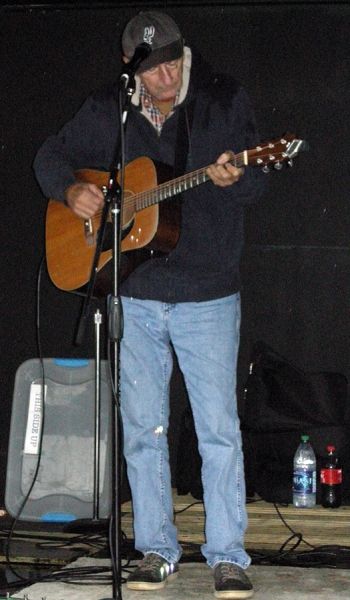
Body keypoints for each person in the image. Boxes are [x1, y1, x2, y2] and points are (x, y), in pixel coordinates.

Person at [34, 11, 267, 599]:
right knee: (143, 428)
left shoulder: (222, 98)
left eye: (170, 62)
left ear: (182, 54)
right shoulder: (109, 108)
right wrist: (72, 190)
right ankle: (156, 549)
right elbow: (49, 157)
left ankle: (227, 557)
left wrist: (236, 177)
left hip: (207, 292)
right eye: (150, 68)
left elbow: (261, 183)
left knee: (217, 430)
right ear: (129, 67)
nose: (163, 78)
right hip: (134, 292)